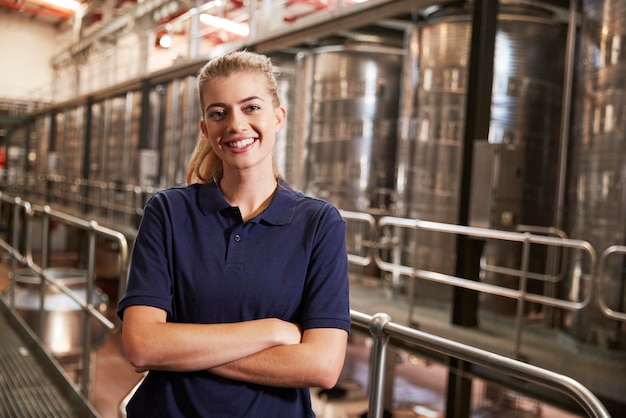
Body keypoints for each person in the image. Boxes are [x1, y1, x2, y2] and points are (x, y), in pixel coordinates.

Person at [117, 49, 351, 417]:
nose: (235, 124)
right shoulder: (168, 212)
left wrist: (180, 348)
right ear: (205, 128)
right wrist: (272, 331)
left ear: (278, 116)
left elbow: (321, 366)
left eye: (251, 107)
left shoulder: (319, 224)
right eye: (218, 113)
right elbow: (142, 346)